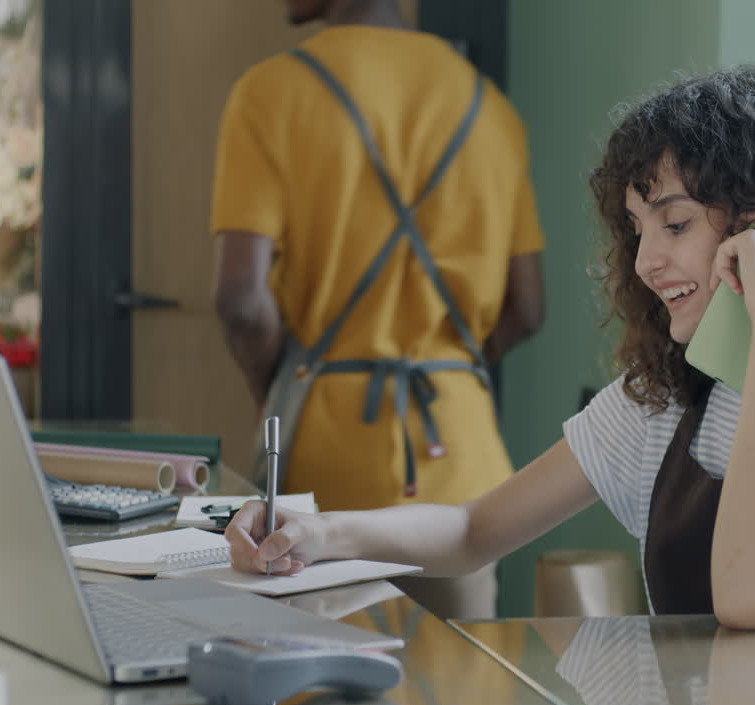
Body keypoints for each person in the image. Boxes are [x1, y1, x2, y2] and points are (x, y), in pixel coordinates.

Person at [227, 63, 755, 629]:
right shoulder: (668, 404)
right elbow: (473, 528)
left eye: (673, 225)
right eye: (637, 231)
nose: (644, 263)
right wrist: (319, 531)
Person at [210, 0, 546, 620]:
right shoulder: (487, 106)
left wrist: (275, 391)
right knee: (462, 694)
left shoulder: (272, 92)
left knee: (321, 691)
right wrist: (445, 363)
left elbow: (240, 302)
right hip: (463, 472)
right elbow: (526, 308)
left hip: (326, 456)